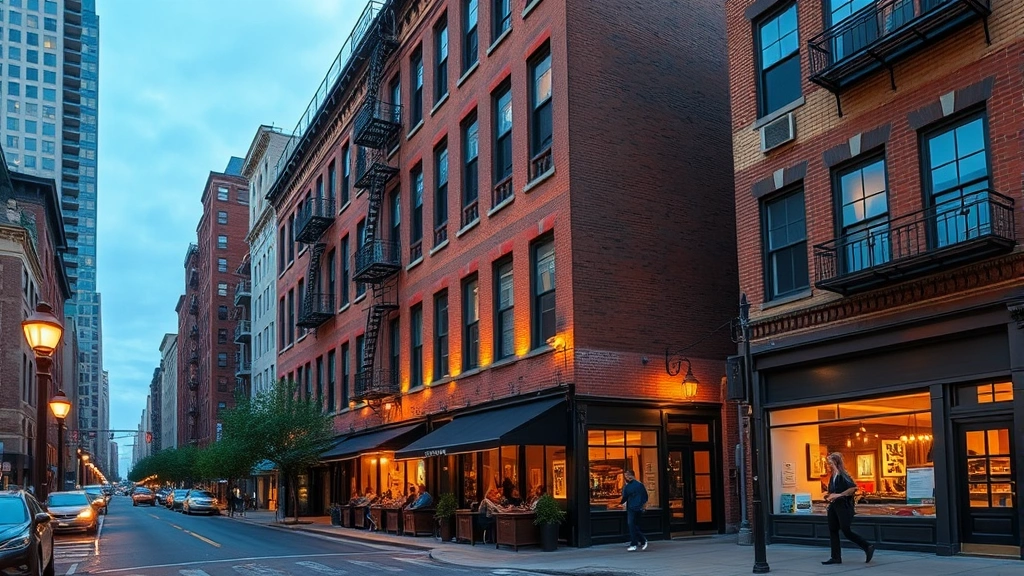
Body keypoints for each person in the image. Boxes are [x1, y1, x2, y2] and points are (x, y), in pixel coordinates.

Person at [822, 452, 874, 565]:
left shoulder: (843, 475)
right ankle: (835, 557)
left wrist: (839, 495)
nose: (828, 465)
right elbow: (833, 491)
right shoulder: (833, 476)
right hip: (834, 506)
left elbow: (852, 488)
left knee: (846, 530)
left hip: (844, 506)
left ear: (836, 462)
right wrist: (828, 495)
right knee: (833, 529)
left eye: (830, 463)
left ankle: (867, 546)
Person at [619, 469, 648, 551]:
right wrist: (643, 505)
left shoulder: (628, 486)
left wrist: (620, 503)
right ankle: (640, 541)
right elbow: (645, 496)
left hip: (631, 507)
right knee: (635, 525)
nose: (626, 477)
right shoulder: (640, 485)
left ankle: (636, 542)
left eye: (626, 476)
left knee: (631, 524)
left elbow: (625, 497)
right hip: (639, 507)